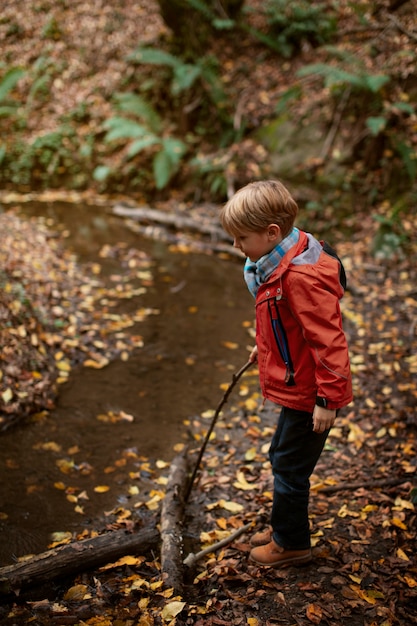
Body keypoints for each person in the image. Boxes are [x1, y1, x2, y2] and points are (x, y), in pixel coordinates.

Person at [220, 180, 353, 568]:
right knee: (280, 455)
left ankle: (291, 544)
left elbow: (329, 342)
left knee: (290, 466)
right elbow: (284, 322)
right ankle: (284, 528)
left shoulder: (299, 276)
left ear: (271, 233)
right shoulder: (284, 256)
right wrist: (264, 349)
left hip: (313, 391)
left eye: (241, 238)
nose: (236, 247)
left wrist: (328, 401)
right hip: (305, 385)